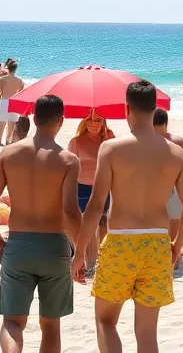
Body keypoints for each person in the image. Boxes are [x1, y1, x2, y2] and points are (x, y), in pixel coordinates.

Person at [71, 80, 183, 353]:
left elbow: (94, 207)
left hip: (120, 242)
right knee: (147, 335)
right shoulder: (175, 153)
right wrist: (178, 246)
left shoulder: (112, 148)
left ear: (127, 108)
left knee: (105, 321)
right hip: (157, 243)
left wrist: (79, 252)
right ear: (156, 108)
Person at [0, 93, 82, 353]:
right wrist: (81, 251)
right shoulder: (68, 160)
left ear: (34, 118)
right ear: (62, 120)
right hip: (54, 247)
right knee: (51, 325)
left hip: (18, 245)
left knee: (13, 323)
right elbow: (71, 213)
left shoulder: (9, 153)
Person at [68, 111, 115, 274]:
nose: (94, 124)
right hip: (82, 187)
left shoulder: (109, 137)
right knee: (87, 225)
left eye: (98, 120)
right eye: (90, 120)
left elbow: (116, 159)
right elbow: (70, 167)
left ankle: (104, 260)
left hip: (103, 187)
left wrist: (108, 136)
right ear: (84, 122)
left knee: (103, 223)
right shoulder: (76, 142)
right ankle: (90, 263)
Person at [153, 109, 183, 247]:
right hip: (177, 185)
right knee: (175, 221)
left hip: (153, 187)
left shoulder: (145, 142)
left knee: (158, 222)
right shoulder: (179, 141)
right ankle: (174, 256)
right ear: (166, 122)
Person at [0, 59, 24, 147]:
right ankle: (8, 141)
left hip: (4, 101)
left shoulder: (2, 79)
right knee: (11, 122)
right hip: (14, 102)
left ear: (7, 68)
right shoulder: (19, 80)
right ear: (15, 69)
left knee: (2, 123)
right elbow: (20, 93)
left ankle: (0, 142)